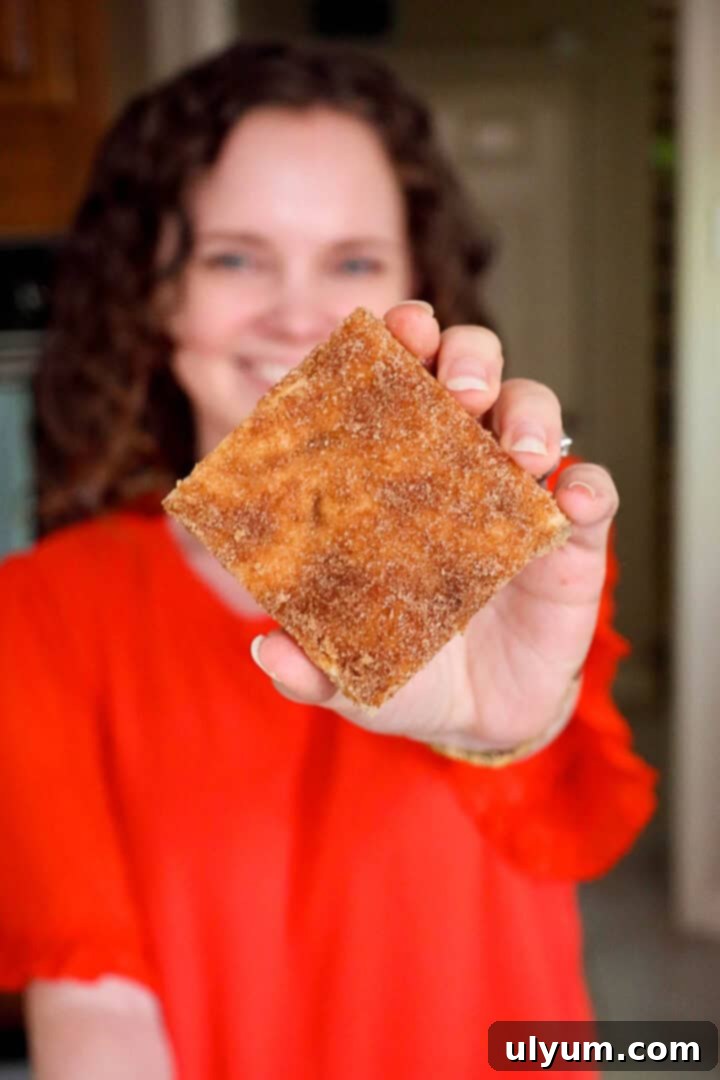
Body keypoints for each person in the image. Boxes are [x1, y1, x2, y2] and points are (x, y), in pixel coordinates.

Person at [0, 40, 657, 1079]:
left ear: (416, 286)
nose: (299, 312)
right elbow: (97, 1017)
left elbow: (566, 833)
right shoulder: (38, 612)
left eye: (353, 261)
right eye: (233, 256)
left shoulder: (513, 561)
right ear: (155, 295)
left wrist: (502, 730)